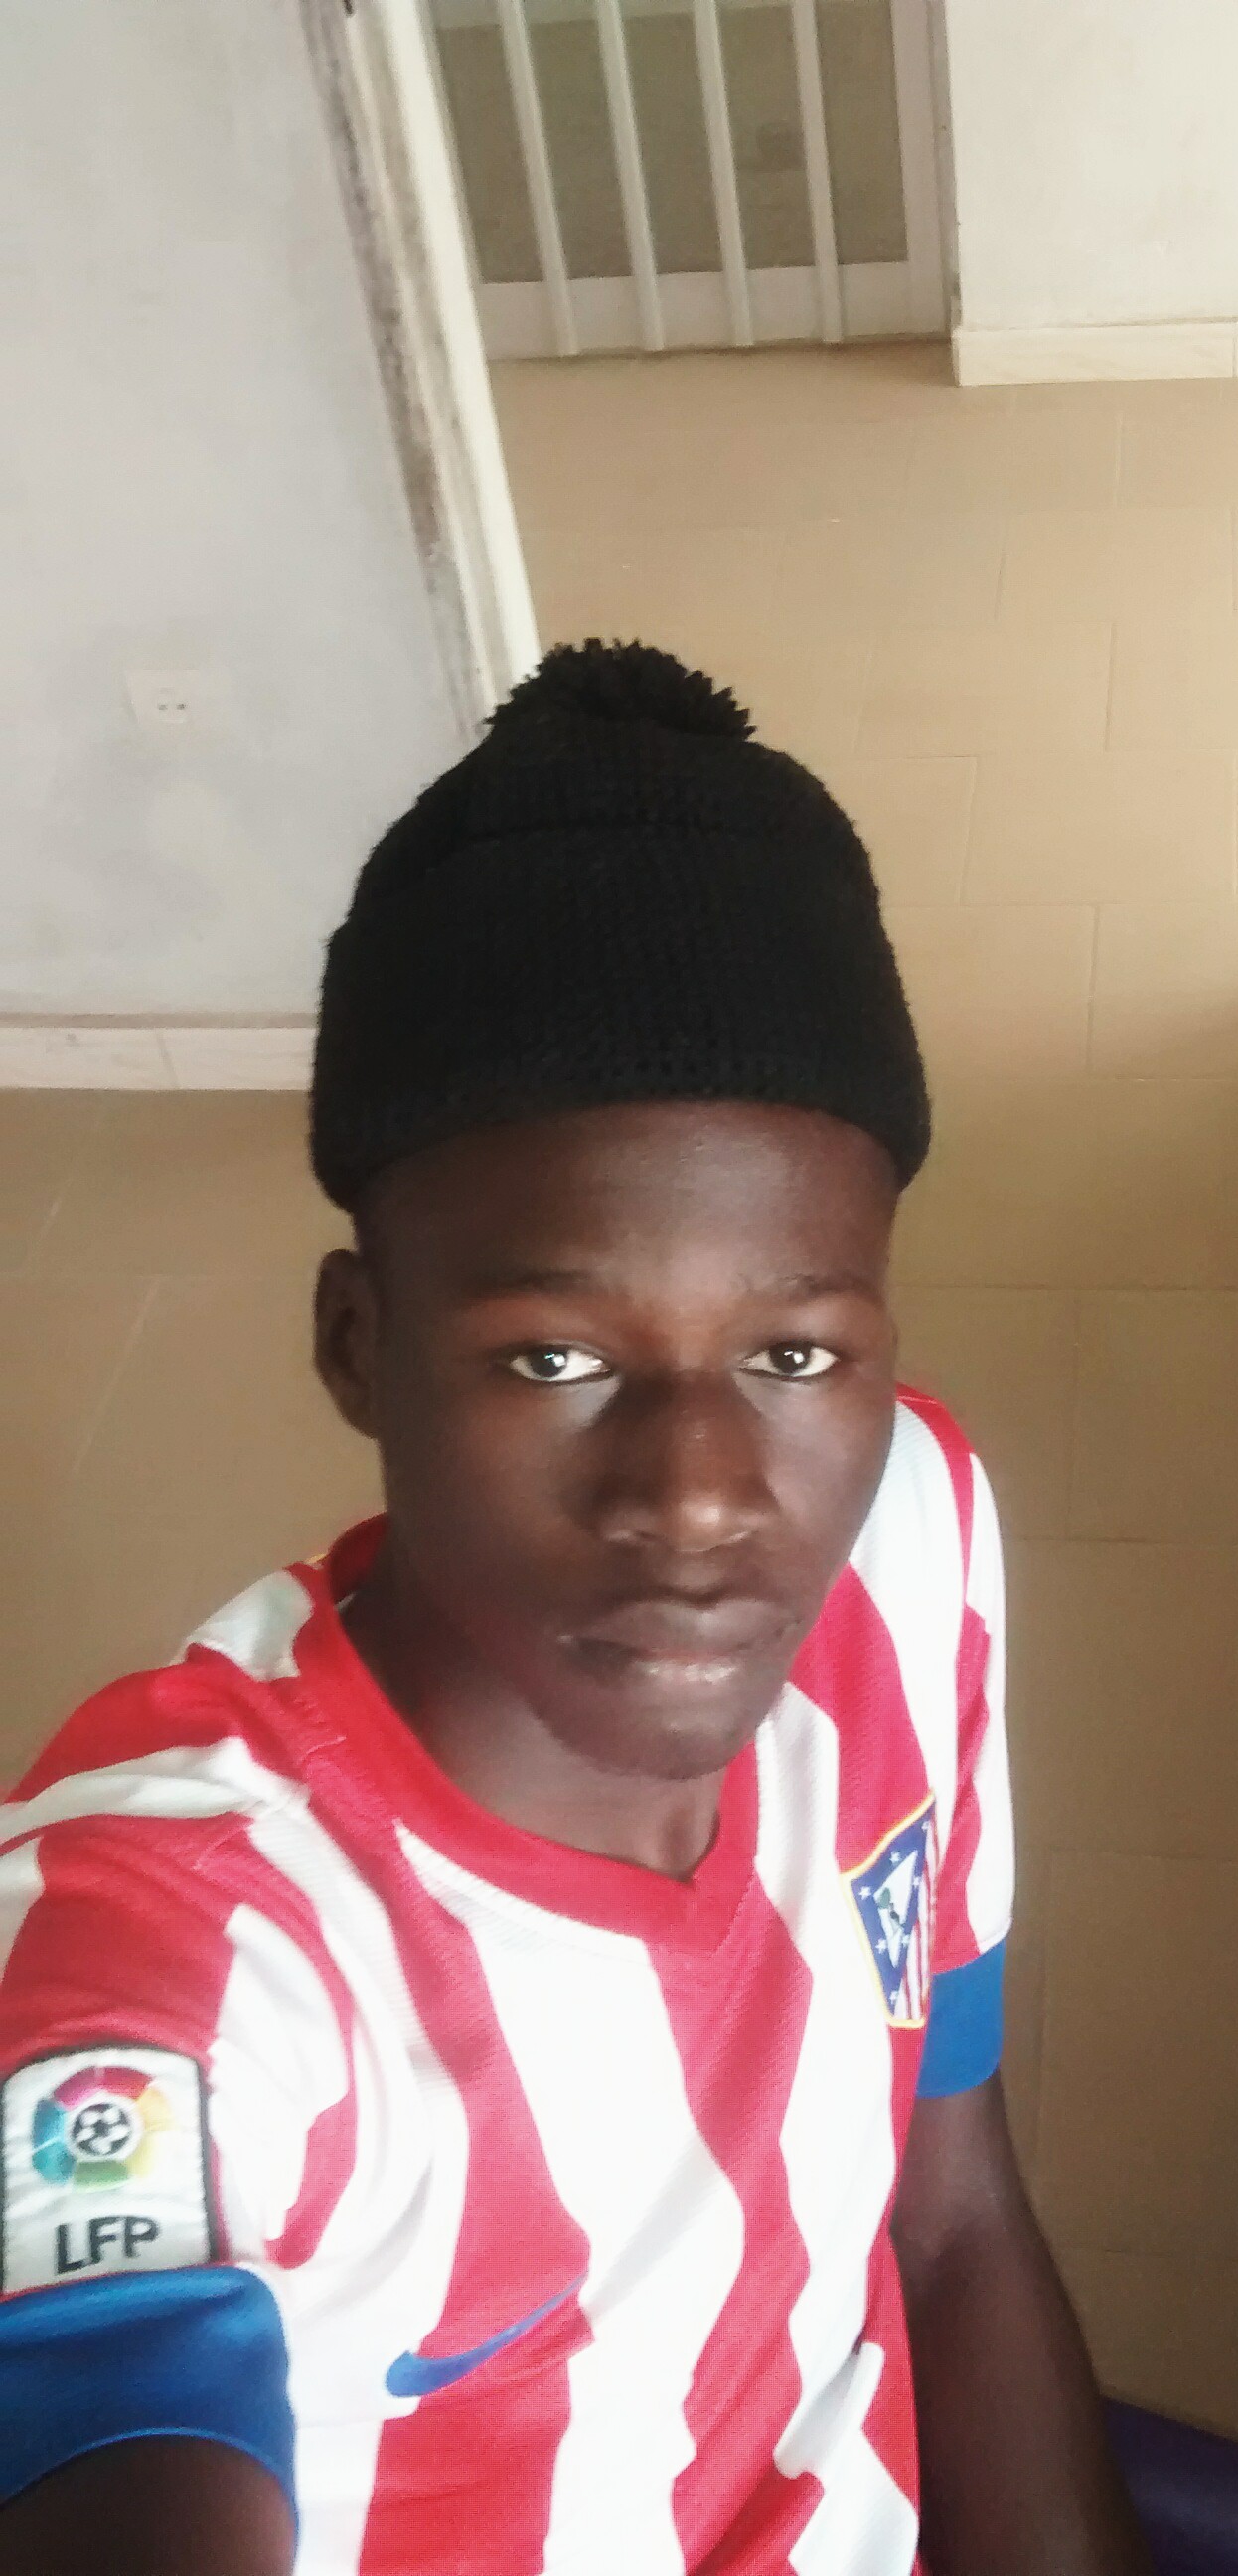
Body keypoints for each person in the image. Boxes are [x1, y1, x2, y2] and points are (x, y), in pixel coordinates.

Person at [0, 644, 1149, 2576]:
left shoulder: (907, 1534)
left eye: (793, 1354)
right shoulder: (186, 1964)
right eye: (553, 1359)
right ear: (355, 1345)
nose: (699, 1498)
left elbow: (947, 2213)